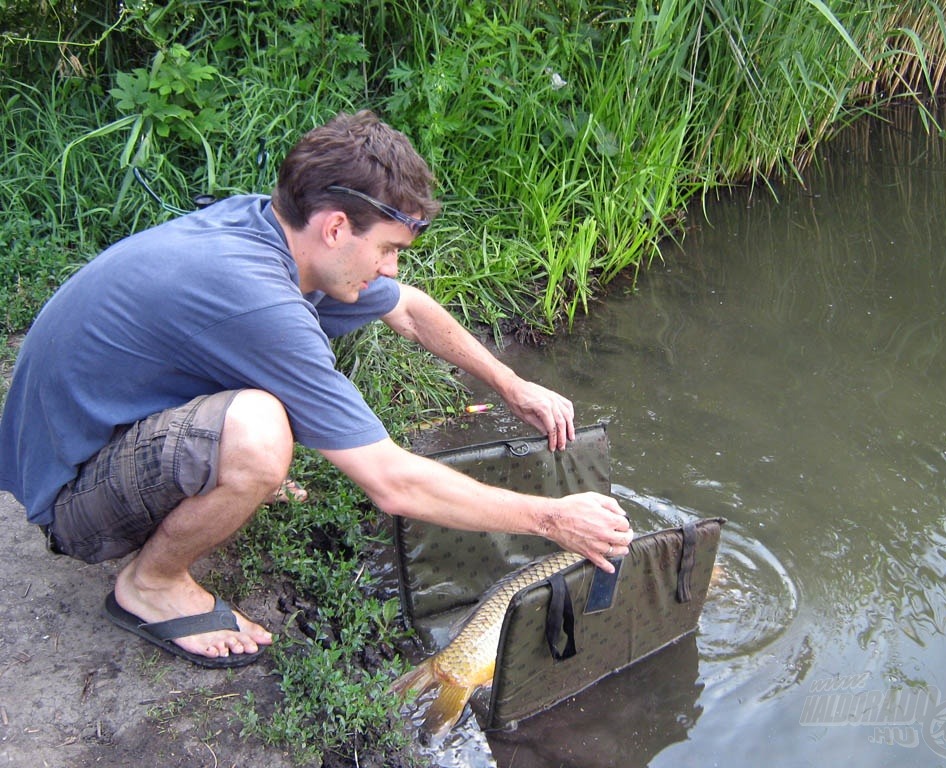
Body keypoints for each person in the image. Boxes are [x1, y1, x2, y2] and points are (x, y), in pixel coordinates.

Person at [0, 110, 633, 668]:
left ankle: (215, 483)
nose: (391, 268)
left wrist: (511, 383)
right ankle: (150, 584)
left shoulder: (275, 234)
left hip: (93, 436)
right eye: (387, 249)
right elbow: (393, 483)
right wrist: (551, 517)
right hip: (70, 499)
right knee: (259, 432)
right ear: (335, 228)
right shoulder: (259, 302)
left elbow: (407, 308)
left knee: (266, 423)